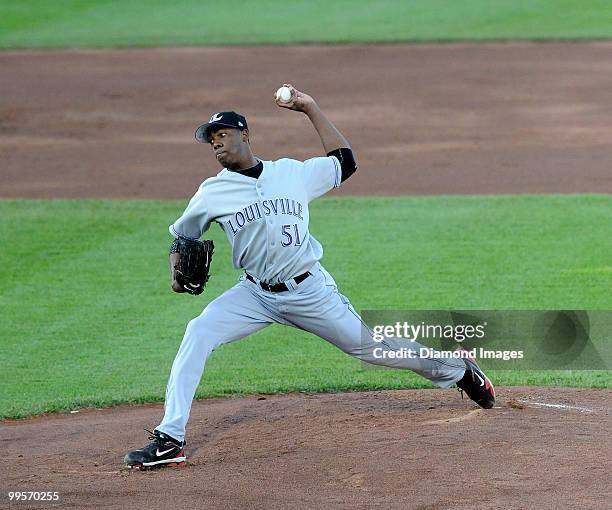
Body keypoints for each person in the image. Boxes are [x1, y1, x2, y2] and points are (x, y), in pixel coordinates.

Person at [124, 85, 495, 469]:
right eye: (211, 139)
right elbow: (182, 236)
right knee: (197, 333)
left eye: (223, 135)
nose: (216, 143)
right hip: (254, 295)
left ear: (245, 135)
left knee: (372, 349)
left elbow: (345, 162)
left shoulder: (292, 173)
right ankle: (171, 438)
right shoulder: (212, 192)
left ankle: (458, 371)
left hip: (310, 292)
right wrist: (175, 274)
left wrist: (311, 109)